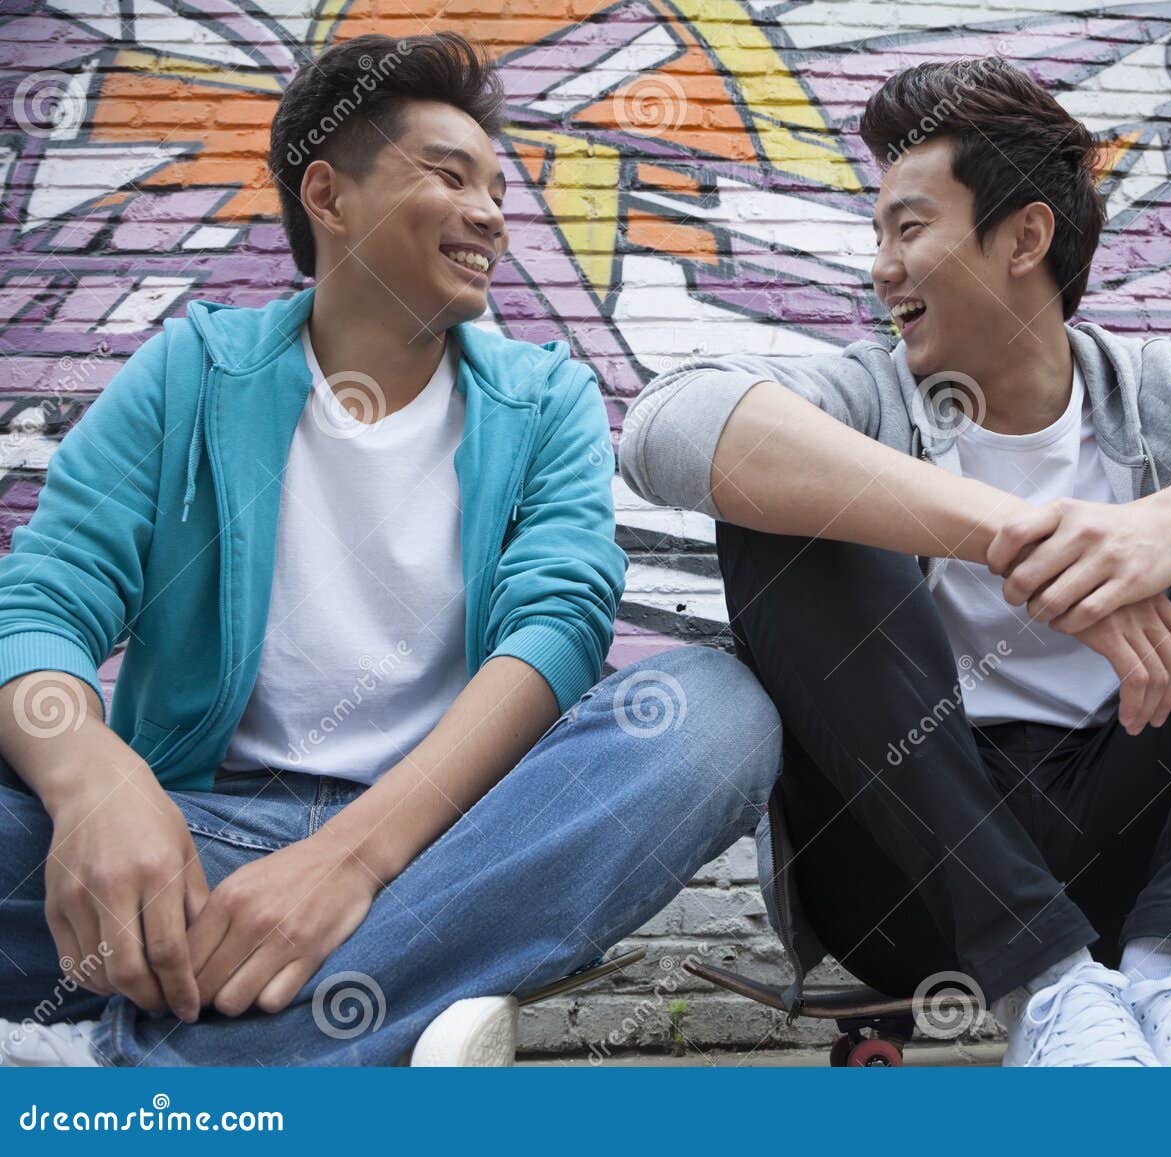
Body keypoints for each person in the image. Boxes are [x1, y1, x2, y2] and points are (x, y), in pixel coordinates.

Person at [619, 58, 1171, 1066]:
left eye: (909, 229)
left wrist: (1166, 527)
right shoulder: (860, 395)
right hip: (913, 878)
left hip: (1145, 853)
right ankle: (1043, 985)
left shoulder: (1167, 390)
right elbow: (668, 424)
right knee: (781, 500)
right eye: (878, 236)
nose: (881, 267)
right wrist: (1009, 536)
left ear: (1023, 236)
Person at [0, 31, 780, 1067]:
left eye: (498, 185)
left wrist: (348, 863)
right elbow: (44, 597)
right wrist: (94, 784)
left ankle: (136, 1069)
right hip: (191, 843)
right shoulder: (190, 372)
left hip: (445, 852)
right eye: (449, 175)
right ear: (327, 196)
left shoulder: (542, 398)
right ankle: (342, 1018)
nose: (494, 213)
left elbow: (556, 629)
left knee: (714, 717)